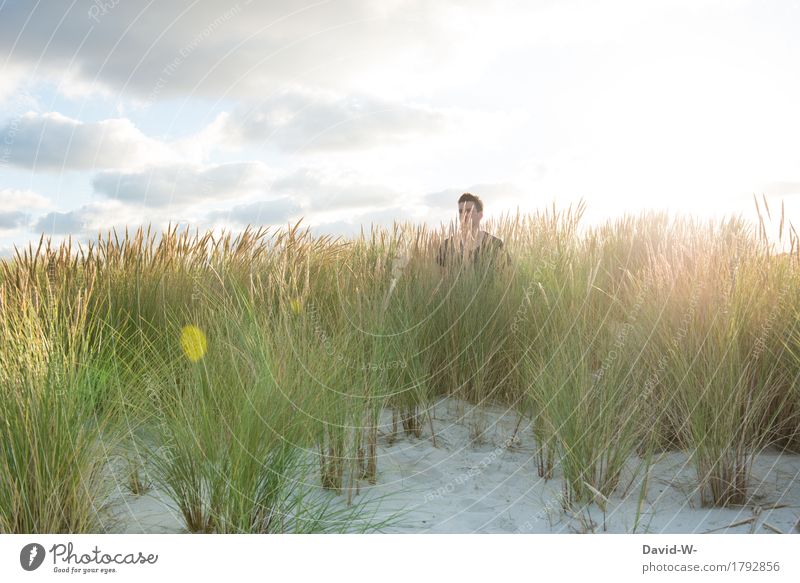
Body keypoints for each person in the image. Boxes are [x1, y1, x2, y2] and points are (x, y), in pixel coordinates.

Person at [436, 192, 510, 270]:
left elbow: (507, 277)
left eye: (468, 211)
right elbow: (440, 278)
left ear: (480, 215)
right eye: (461, 211)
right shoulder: (447, 245)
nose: (464, 215)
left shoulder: (496, 244)